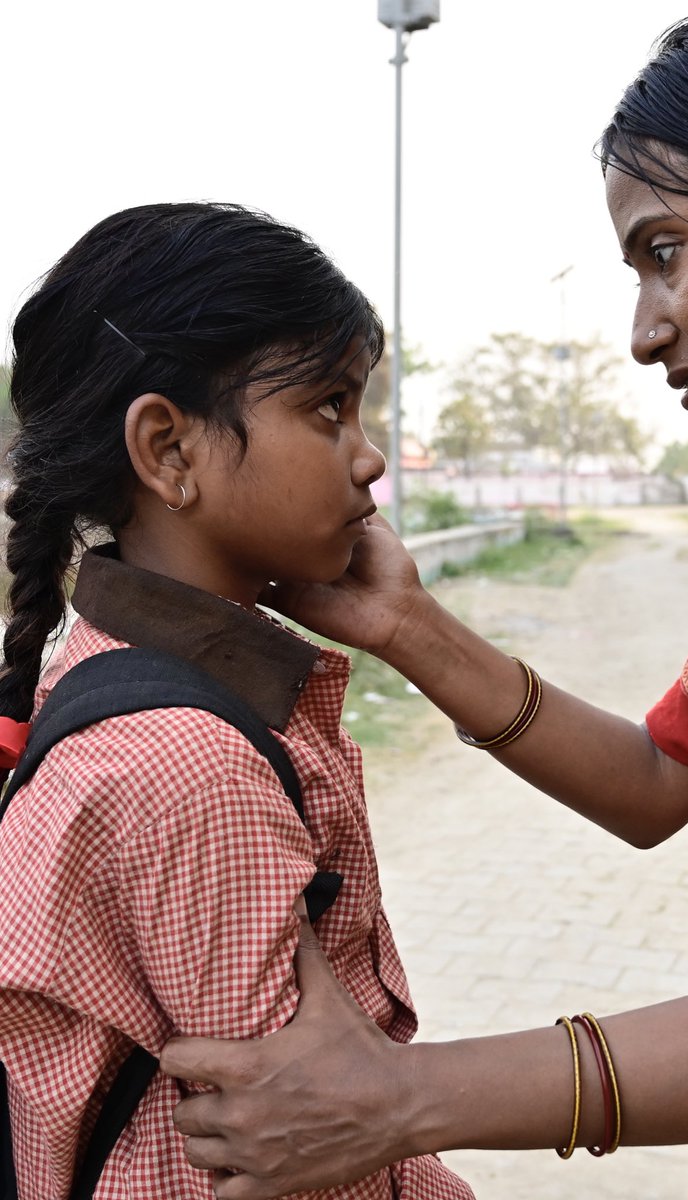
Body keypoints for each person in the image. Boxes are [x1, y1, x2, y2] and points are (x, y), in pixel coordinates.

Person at [159, 2, 688, 1198]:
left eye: (666, 249)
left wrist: (407, 1099)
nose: (643, 332)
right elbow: (660, 786)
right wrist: (407, 630)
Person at [0, 203, 474, 1200]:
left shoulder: (107, 669)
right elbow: (319, 1151)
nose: (369, 454)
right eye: (329, 408)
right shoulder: (192, 765)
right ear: (169, 452)